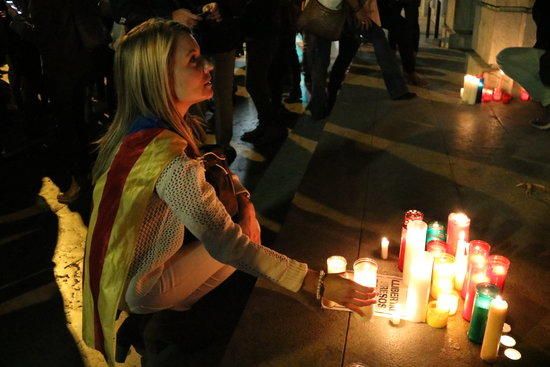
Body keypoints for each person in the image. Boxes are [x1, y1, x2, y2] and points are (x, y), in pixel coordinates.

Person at [82, 19, 376, 365]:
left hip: (124, 274)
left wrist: (246, 201)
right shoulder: (169, 160)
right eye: (193, 60)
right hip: (144, 284)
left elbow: (205, 168)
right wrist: (317, 282)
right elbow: (228, 244)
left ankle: (163, 322)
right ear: (160, 78)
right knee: (244, 239)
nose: (208, 66)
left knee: (240, 231)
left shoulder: (141, 132)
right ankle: (161, 326)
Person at [496, 0, 550, 130]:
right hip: (544, 52)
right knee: (505, 58)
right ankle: (547, 100)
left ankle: (548, 104)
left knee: (504, 58)